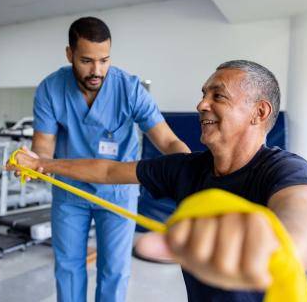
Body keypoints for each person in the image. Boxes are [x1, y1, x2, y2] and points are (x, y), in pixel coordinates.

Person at [9, 60, 307, 301]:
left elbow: (303, 223)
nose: (201, 104)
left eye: (218, 95)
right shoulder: (186, 169)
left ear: (259, 112)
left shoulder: (285, 169)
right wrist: (43, 163)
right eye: (204, 94)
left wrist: (275, 244)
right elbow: (108, 171)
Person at [30, 16, 190, 302]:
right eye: (86, 60)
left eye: (104, 60)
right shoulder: (50, 89)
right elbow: (43, 147)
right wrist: (34, 164)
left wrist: (193, 169)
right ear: (69, 54)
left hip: (118, 192)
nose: (97, 70)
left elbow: (166, 140)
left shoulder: (128, 88)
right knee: (68, 267)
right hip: (70, 191)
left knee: (114, 270)